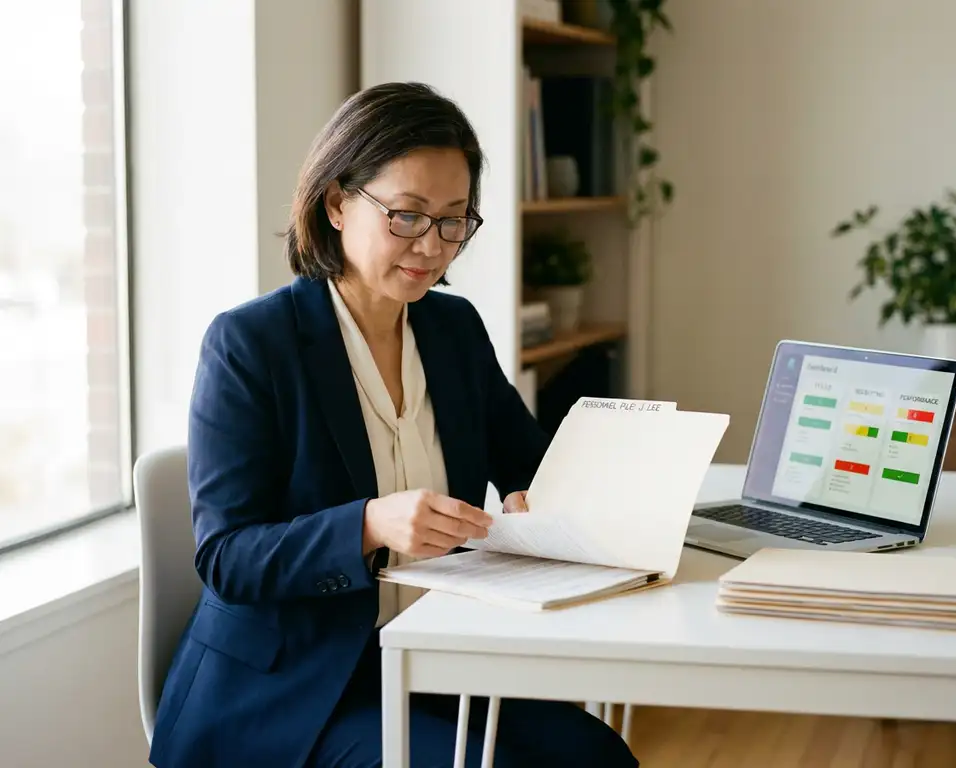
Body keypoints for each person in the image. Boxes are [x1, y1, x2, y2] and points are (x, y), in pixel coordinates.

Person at [148, 82, 639, 768]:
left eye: (453, 220)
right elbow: (227, 558)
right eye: (407, 216)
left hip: (431, 653)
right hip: (294, 690)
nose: (432, 246)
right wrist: (368, 525)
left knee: (598, 757)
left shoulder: (454, 330)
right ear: (337, 204)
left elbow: (530, 465)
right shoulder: (250, 344)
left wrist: (539, 499)